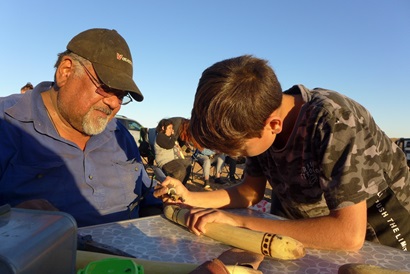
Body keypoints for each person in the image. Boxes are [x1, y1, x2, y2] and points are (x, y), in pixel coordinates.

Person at [155, 55, 410, 252]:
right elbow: (250, 192)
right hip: (304, 225)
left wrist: (240, 222)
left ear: (273, 125)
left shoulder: (334, 121)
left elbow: (348, 234)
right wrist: (190, 197)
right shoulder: (254, 114)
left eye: (240, 150)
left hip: (379, 227)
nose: (237, 156)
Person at [0, 28, 162, 227]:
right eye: (106, 87)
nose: (114, 103)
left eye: (121, 95)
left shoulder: (120, 134)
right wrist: (10, 222)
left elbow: (148, 197)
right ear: (66, 72)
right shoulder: (6, 123)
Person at [154, 119, 192, 185]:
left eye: (172, 128)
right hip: (164, 162)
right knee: (181, 170)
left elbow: (177, 148)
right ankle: (174, 188)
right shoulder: (160, 136)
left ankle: (182, 186)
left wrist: (186, 147)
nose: (171, 130)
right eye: (169, 128)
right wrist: (173, 136)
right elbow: (169, 145)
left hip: (172, 160)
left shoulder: (168, 137)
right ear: (163, 128)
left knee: (188, 164)